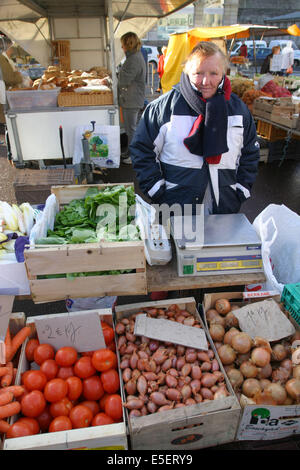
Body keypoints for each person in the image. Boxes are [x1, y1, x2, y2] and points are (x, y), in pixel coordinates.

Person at [130, 41, 260, 215]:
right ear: (187, 71)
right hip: (175, 206)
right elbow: (142, 150)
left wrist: (241, 190)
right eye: (198, 73)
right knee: (176, 243)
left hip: (224, 206)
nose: (206, 81)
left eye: (214, 73)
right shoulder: (162, 109)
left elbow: (250, 153)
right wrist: (157, 191)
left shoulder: (239, 110)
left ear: (223, 72)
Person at [118, 32, 146, 165]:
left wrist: (116, 77)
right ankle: (130, 151)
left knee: (131, 130)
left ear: (127, 44)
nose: (122, 47)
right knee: (131, 129)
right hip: (132, 98)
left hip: (132, 99)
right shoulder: (134, 57)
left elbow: (124, 80)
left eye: (123, 44)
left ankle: (133, 156)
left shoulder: (133, 59)